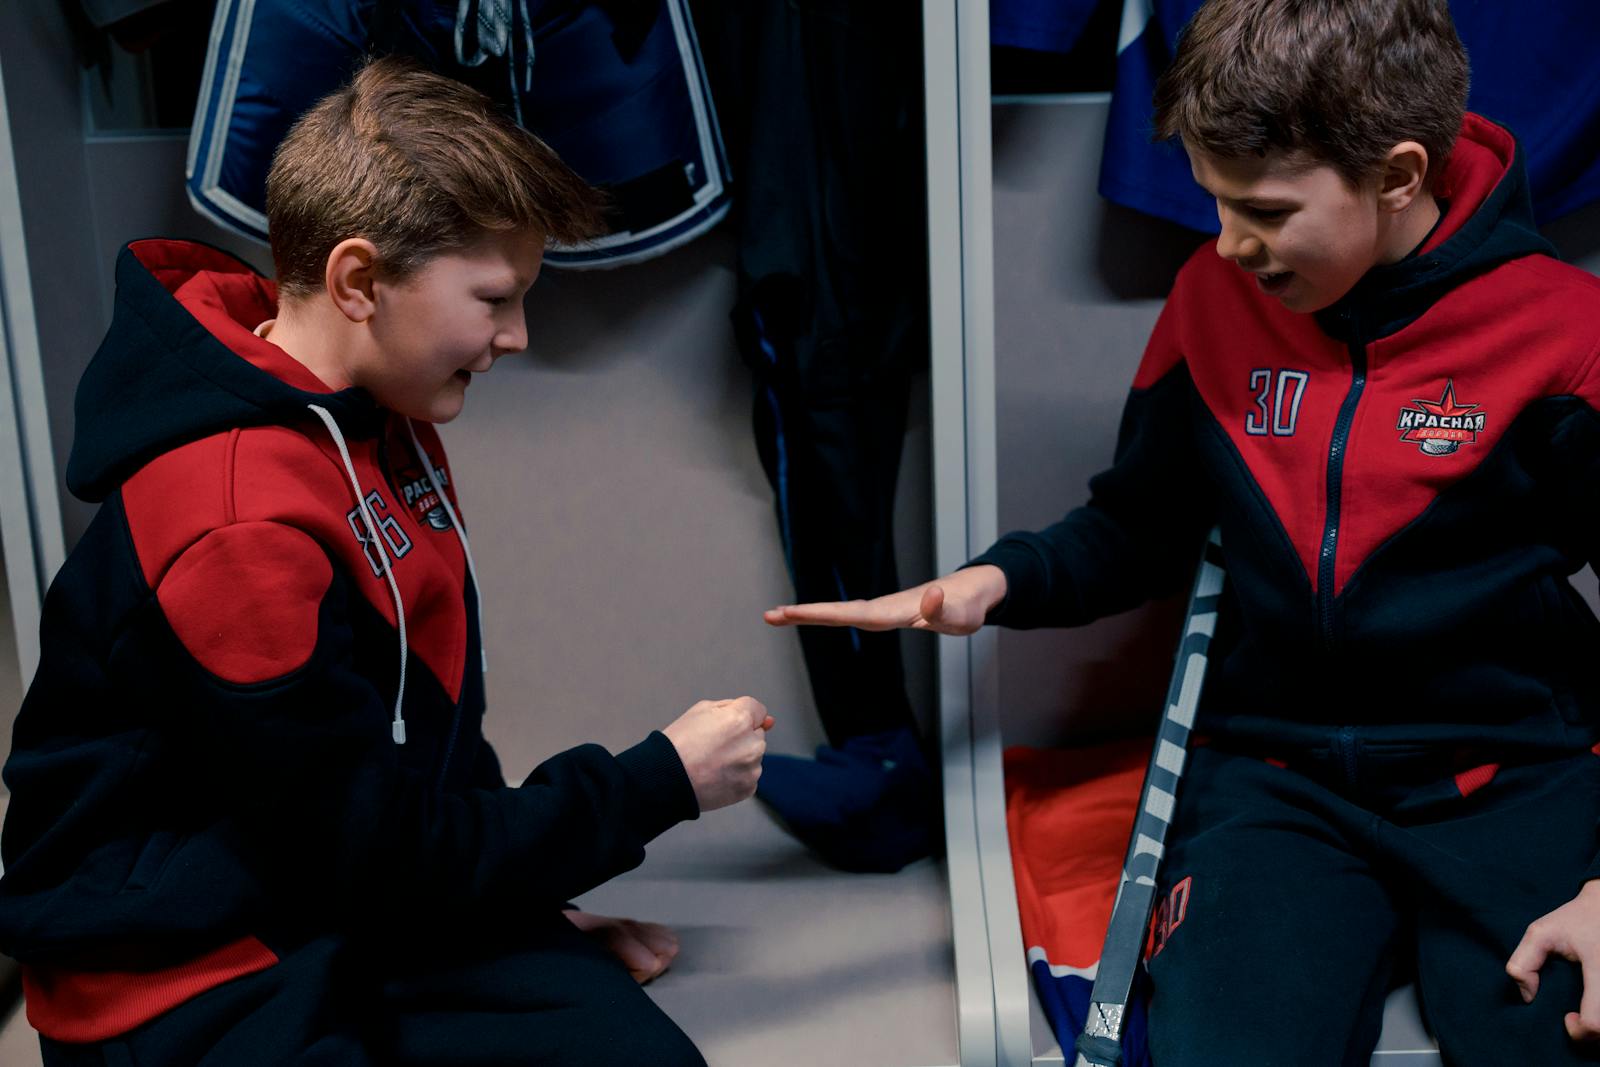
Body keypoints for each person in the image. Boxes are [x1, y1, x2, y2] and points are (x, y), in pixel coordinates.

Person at [766, 0, 1600, 1060]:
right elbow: (1137, 522)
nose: (1228, 244)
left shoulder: (1567, 336)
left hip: (1513, 778)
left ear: (1396, 176)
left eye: (1262, 210)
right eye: (1214, 204)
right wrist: (993, 584)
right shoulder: (1214, 294)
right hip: (1278, 783)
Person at [0, 57, 771, 1066]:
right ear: (359, 280)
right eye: (494, 297)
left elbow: (417, 734)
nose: (516, 335)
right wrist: (656, 782)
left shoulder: (371, 417)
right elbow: (373, 847)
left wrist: (520, 901)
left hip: (343, 879)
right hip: (185, 965)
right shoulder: (239, 524)